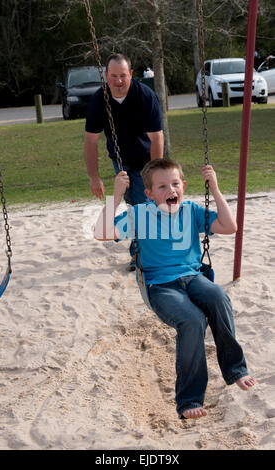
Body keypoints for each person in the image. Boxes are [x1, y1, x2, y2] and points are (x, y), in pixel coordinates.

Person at [94, 158, 256, 420]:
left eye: (175, 183)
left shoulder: (191, 210)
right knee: (192, 320)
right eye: (162, 187)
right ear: (148, 193)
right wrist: (115, 196)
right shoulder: (139, 215)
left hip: (193, 277)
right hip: (160, 285)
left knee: (219, 297)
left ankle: (235, 370)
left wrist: (214, 188)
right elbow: (101, 233)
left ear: (183, 186)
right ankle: (189, 399)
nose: (170, 190)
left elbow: (230, 226)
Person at [85, 53, 164, 271]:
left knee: (143, 204)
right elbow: (91, 141)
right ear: (106, 75)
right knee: (134, 204)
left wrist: (154, 175)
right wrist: (94, 177)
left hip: (147, 159)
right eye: (113, 76)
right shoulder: (98, 100)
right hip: (119, 160)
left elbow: (157, 138)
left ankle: (142, 254)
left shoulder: (145, 96)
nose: (118, 81)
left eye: (123, 76)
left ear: (130, 74)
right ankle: (140, 252)